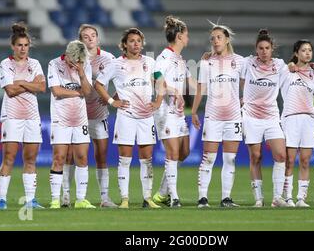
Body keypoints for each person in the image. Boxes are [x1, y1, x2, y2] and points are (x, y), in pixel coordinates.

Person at [95, 28, 162, 209]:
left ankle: (147, 198)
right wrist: (111, 101)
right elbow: (98, 84)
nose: (136, 44)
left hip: (146, 117)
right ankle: (125, 199)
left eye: (138, 41)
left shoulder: (150, 61)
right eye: (131, 41)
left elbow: (160, 81)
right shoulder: (116, 64)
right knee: (125, 158)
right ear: (124, 44)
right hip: (126, 116)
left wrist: (158, 102)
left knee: (146, 158)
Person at [61, 24, 118, 208]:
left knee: (101, 155)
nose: (90, 38)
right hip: (78, 115)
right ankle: (66, 196)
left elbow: (123, 82)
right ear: (80, 40)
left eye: (93, 35)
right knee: (70, 155)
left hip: (100, 114)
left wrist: (111, 98)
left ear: (98, 39)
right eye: (86, 36)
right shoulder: (74, 59)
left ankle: (104, 198)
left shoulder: (108, 58)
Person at [192, 22, 244, 208]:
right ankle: (202, 198)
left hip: (233, 117)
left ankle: (226, 198)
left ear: (227, 39)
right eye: (212, 38)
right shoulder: (207, 62)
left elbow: (246, 84)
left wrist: (244, 98)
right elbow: (200, 88)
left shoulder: (240, 61)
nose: (215, 41)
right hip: (213, 116)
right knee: (209, 158)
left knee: (230, 158)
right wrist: (195, 111)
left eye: (219, 37)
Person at [0, 22, 46, 210]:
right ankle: (2, 199)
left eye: (26, 45)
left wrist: (21, 82)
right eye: (19, 45)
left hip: (32, 117)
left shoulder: (35, 64)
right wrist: (29, 83)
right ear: (13, 46)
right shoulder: (5, 64)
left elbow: (42, 87)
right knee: (9, 157)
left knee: (31, 159)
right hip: (12, 116)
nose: (23, 49)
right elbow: (10, 90)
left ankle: (30, 200)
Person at [240, 29, 287, 208]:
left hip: (271, 117)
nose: (264, 51)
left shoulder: (280, 65)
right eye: (261, 48)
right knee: (256, 156)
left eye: (267, 48)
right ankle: (259, 199)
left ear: (272, 48)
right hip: (251, 116)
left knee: (281, 155)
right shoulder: (248, 62)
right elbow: (237, 73)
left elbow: (296, 66)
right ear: (256, 49)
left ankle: (277, 197)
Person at [47, 40, 95, 209]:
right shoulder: (54, 64)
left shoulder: (85, 65)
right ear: (67, 55)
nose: (77, 64)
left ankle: (81, 199)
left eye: (81, 61)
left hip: (80, 119)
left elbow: (88, 93)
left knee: (82, 157)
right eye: (75, 61)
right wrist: (77, 92)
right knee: (59, 157)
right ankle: (55, 199)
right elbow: (56, 91)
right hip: (61, 119)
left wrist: (82, 74)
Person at [152, 16, 192, 208]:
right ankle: (174, 197)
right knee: (173, 153)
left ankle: (161, 193)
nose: (188, 38)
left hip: (178, 112)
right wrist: (174, 91)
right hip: (164, 111)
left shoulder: (180, 60)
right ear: (179, 36)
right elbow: (157, 79)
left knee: (184, 153)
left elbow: (192, 83)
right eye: (186, 34)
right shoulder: (164, 57)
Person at [280, 40, 314, 207]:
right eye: (303, 50)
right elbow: (280, 68)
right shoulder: (287, 71)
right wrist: (289, 65)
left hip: (309, 119)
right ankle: (287, 196)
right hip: (291, 117)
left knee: (305, 160)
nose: (307, 53)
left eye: (310, 50)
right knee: (289, 159)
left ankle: (301, 198)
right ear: (296, 53)